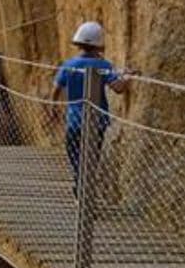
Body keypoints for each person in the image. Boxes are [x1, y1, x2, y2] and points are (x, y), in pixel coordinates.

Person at [48, 21, 135, 194]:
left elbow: (56, 89)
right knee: (91, 157)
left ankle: (79, 185)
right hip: (96, 123)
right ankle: (84, 190)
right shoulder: (103, 66)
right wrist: (127, 77)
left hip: (73, 121)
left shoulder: (68, 65)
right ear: (99, 44)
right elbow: (118, 88)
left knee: (74, 155)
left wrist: (53, 110)